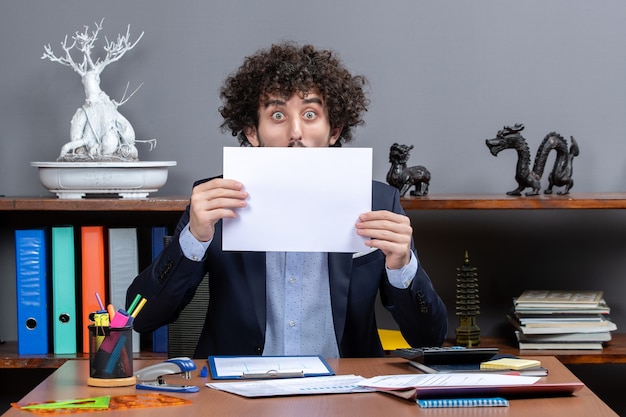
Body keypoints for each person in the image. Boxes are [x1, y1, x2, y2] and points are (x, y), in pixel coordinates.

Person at [127, 42, 448, 358]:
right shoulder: (214, 202)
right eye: (278, 114)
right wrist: (192, 240)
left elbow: (429, 337)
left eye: (310, 114)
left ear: (333, 130)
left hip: (346, 392)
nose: (295, 131)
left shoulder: (378, 200)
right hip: (237, 396)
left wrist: (402, 266)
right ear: (253, 132)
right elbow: (142, 317)